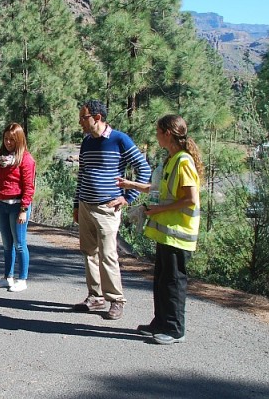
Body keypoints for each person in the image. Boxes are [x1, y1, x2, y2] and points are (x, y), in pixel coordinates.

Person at [116, 114, 202, 345]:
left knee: (173, 282)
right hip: (167, 234)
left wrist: (159, 210)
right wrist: (131, 185)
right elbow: (158, 190)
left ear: (167, 133)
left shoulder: (184, 161)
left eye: (158, 131)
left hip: (179, 234)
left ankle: (175, 329)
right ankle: (160, 322)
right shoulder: (172, 160)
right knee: (162, 281)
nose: (155, 136)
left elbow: (190, 199)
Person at [73, 100, 151, 320]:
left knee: (108, 254)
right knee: (89, 252)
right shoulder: (87, 142)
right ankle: (95, 297)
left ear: (97, 118)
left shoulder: (119, 140)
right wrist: (76, 204)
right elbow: (82, 175)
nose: (80, 122)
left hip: (107, 208)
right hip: (86, 205)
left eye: (83, 117)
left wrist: (128, 197)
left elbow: (143, 168)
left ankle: (116, 300)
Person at [0, 123, 36, 292]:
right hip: (4, 206)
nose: (8, 142)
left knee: (19, 244)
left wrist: (23, 209)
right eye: (6, 139)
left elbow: (29, 187)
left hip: (18, 206)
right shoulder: (1, 159)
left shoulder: (26, 160)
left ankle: (22, 279)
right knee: (7, 244)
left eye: (12, 140)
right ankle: (8, 277)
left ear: (19, 140)